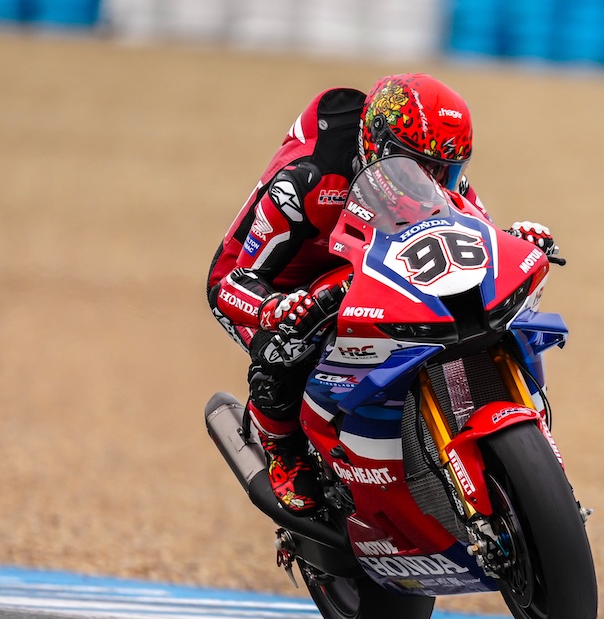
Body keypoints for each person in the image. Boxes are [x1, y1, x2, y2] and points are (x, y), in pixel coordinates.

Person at [206, 73, 559, 517]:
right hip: (273, 284)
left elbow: (477, 239)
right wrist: (276, 308)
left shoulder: (442, 183)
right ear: (379, 146)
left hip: (364, 266)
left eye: (445, 171)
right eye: (420, 166)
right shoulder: (305, 183)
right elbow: (231, 281)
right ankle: (281, 447)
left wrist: (516, 241)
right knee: (289, 346)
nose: (432, 181)